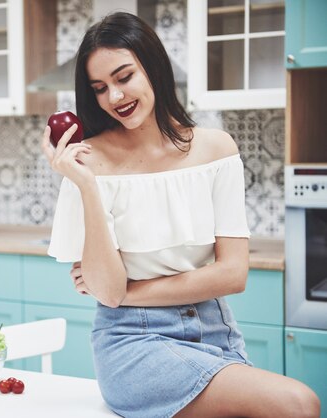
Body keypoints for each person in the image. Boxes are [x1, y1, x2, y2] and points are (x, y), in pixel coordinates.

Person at [42, 12, 320, 418]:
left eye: (124, 77)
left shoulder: (217, 150)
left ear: (153, 68)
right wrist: (86, 186)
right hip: (131, 345)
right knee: (298, 403)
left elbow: (232, 275)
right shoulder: (85, 162)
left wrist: (129, 293)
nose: (115, 97)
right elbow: (107, 291)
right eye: (100, 88)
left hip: (216, 332)